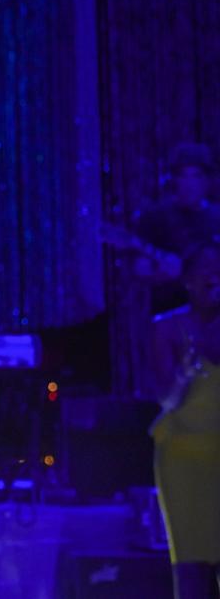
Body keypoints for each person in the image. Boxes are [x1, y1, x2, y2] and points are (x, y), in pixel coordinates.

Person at [151, 243, 220, 598]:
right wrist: (185, 372)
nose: (214, 276)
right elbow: (167, 399)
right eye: (205, 271)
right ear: (188, 281)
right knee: (192, 560)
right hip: (184, 454)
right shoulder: (167, 328)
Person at [135, 143, 220, 314]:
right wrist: (162, 273)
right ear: (174, 179)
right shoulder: (156, 217)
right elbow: (140, 269)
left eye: (196, 176)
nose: (189, 184)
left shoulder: (216, 216)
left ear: (207, 181)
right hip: (170, 314)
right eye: (183, 176)